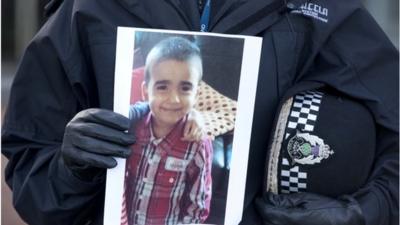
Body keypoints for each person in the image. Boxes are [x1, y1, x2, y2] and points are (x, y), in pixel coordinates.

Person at [2, 0, 398, 225]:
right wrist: (68, 171)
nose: (173, 99)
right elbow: (31, 163)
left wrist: (362, 213)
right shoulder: (89, 9)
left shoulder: (318, 10)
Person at [122, 37, 212, 225]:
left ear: (197, 93)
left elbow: (197, 208)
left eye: (185, 88)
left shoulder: (197, 144)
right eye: (162, 87)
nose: (174, 99)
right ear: (146, 92)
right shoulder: (131, 128)